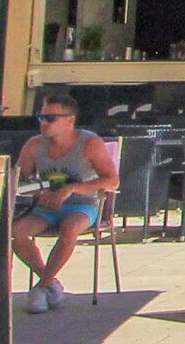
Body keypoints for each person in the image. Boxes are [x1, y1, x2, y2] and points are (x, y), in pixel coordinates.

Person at [9, 92, 117, 313]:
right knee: (16, 231)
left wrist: (71, 188)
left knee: (70, 227)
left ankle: (41, 287)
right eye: (41, 118)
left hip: (82, 203)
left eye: (50, 118)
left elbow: (112, 180)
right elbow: (18, 177)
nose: (44, 123)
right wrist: (36, 188)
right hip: (46, 205)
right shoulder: (34, 145)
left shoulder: (89, 143)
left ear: (69, 120)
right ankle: (49, 282)